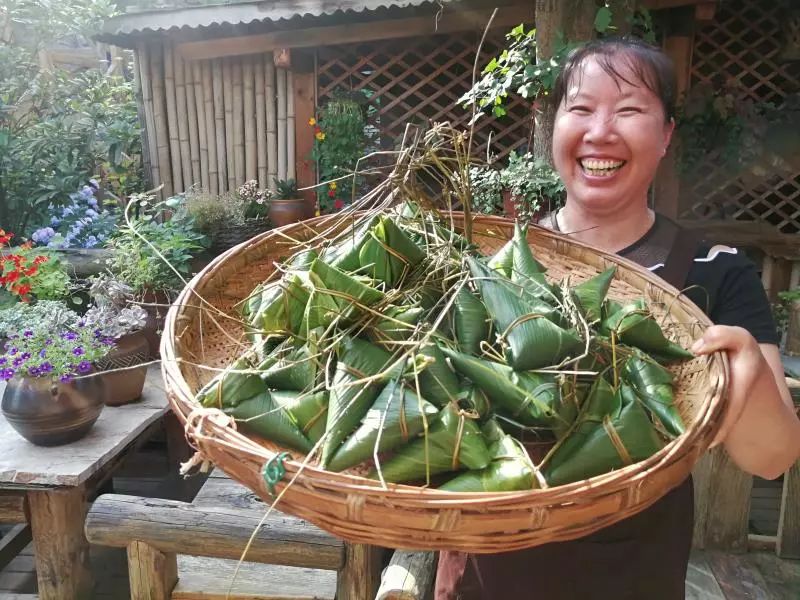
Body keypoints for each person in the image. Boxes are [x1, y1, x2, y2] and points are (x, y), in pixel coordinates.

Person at [435, 36, 800, 599]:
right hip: (486, 572)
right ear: (552, 127)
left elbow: (772, 459)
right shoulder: (491, 260)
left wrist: (745, 370)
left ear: (667, 135)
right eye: (580, 109)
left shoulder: (715, 272)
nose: (600, 131)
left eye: (629, 110)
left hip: (631, 575)